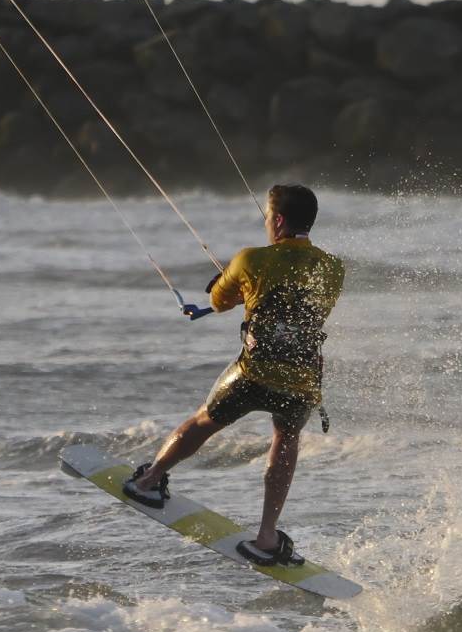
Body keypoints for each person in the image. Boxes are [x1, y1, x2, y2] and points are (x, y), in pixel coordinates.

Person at [122, 183, 345, 567]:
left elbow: (219, 300)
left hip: (253, 373)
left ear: (277, 220)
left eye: (266, 219)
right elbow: (298, 305)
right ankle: (265, 536)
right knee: (286, 440)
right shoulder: (333, 268)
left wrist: (226, 288)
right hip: (302, 378)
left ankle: (148, 480)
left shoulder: (250, 260)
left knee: (205, 420)